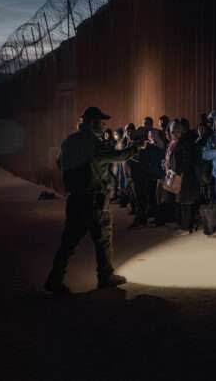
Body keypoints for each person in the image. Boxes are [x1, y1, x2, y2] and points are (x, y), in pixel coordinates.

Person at [44, 107, 144, 294]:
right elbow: (118, 156)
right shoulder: (94, 143)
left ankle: (54, 279)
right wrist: (135, 148)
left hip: (74, 199)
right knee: (103, 239)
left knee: (68, 242)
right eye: (101, 122)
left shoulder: (69, 141)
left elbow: (59, 163)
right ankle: (105, 276)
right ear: (92, 123)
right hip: (94, 198)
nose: (104, 125)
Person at [170, 119, 202, 234]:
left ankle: (185, 227)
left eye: (175, 132)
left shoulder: (184, 143)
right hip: (185, 175)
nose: (173, 134)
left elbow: (185, 161)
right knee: (185, 202)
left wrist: (178, 172)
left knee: (185, 202)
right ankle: (187, 225)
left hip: (185, 176)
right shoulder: (184, 141)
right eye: (172, 132)